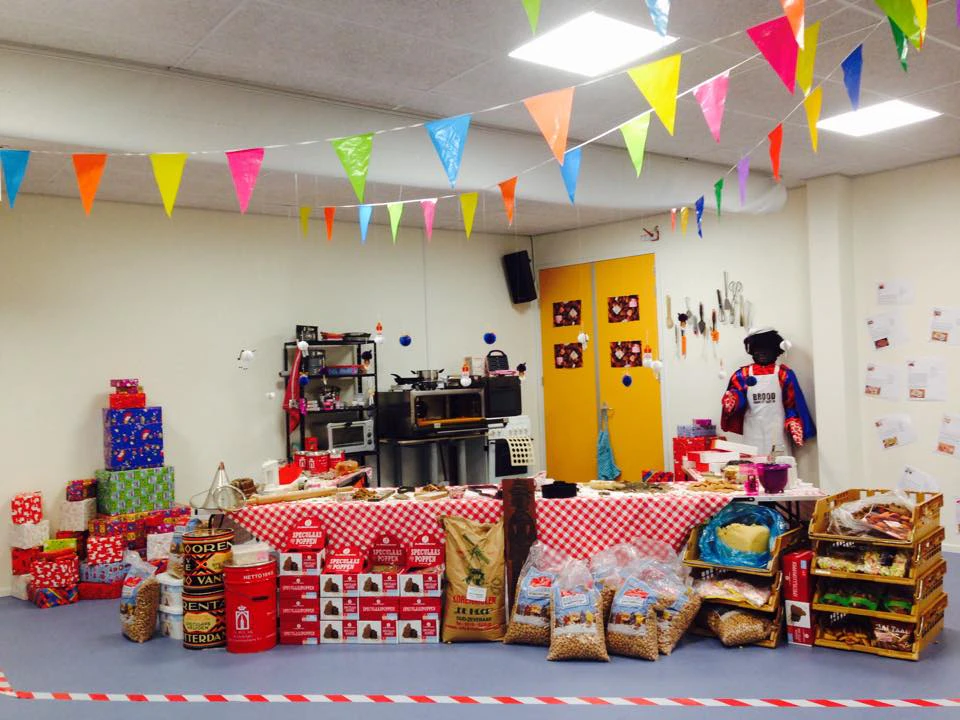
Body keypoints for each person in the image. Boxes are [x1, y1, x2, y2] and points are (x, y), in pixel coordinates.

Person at [721, 327, 815, 454]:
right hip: (752, 430)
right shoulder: (742, 375)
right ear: (752, 351)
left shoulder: (783, 374)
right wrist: (734, 399)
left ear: (776, 351)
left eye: (767, 349)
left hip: (777, 430)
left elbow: (792, 402)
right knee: (752, 467)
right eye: (758, 349)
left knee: (780, 465)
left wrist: (793, 421)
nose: (762, 353)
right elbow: (738, 394)